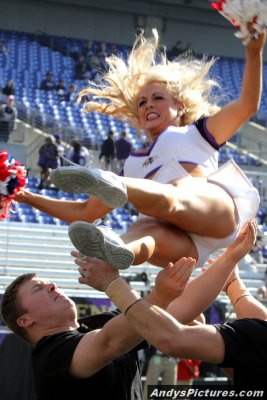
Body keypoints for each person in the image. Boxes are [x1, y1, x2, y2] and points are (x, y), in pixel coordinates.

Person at [44, 26, 265, 271]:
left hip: (215, 216)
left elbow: (247, 105)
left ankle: (113, 185)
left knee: (176, 193)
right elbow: (86, 211)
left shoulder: (197, 133)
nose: (149, 105)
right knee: (142, 230)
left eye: (157, 98)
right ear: (138, 116)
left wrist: (254, 52)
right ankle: (117, 249)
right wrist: (23, 195)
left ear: (180, 106)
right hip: (187, 248)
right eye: (142, 102)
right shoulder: (132, 164)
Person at [76, 219, 267, 390]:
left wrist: (113, 283)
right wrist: (231, 266)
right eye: (43, 286)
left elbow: (171, 336)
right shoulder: (57, 347)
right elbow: (253, 337)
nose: (51, 285)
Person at [0, 251, 193, 400]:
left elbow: (182, 307)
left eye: (49, 283)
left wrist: (223, 262)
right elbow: (110, 341)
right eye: (38, 288)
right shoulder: (50, 355)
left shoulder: (97, 324)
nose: (52, 285)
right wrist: (158, 295)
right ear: (25, 320)